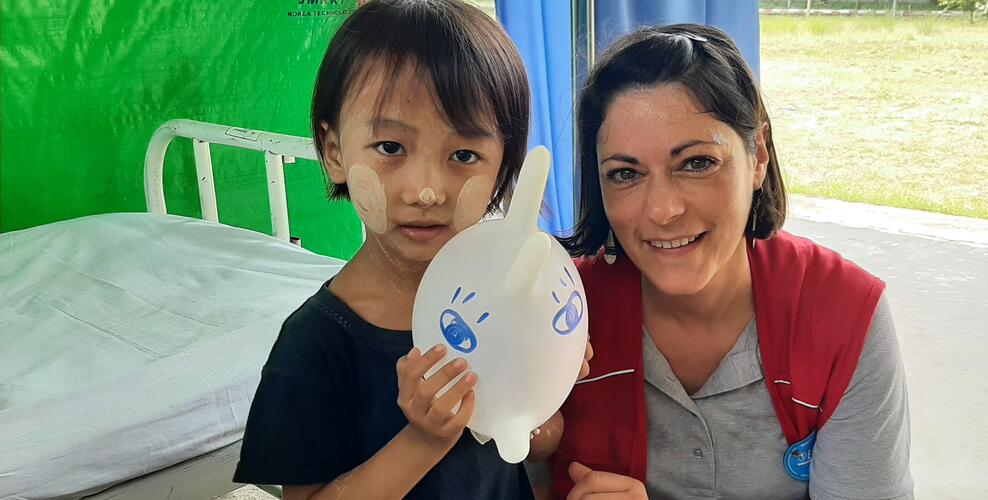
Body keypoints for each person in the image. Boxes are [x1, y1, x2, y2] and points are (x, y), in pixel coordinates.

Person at [232, 1, 588, 498]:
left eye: (464, 155)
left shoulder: (514, 299)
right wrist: (424, 438)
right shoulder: (315, 345)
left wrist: (546, 384)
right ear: (333, 152)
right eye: (391, 148)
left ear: (504, 165)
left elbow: (537, 444)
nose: (426, 190)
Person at [546, 24, 913, 499]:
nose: (662, 210)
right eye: (625, 174)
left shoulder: (844, 313)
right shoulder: (560, 313)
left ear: (757, 155)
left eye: (697, 163)